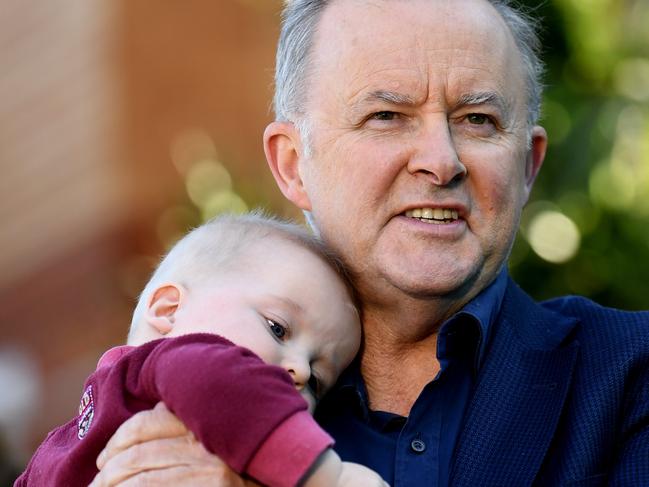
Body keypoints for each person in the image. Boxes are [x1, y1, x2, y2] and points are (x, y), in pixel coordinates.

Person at [90, 0, 649, 486]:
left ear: (527, 165)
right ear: (293, 164)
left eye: (478, 120)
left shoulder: (630, 373)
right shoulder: (174, 400)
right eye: (386, 116)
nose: (440, 161)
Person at [15, 213, 388, 487]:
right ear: (169, 311)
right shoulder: (173, 363)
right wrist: (331, 478)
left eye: (318, 381)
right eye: (277, 329)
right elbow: (214, 381)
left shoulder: (65, 442)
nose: (301, 372)